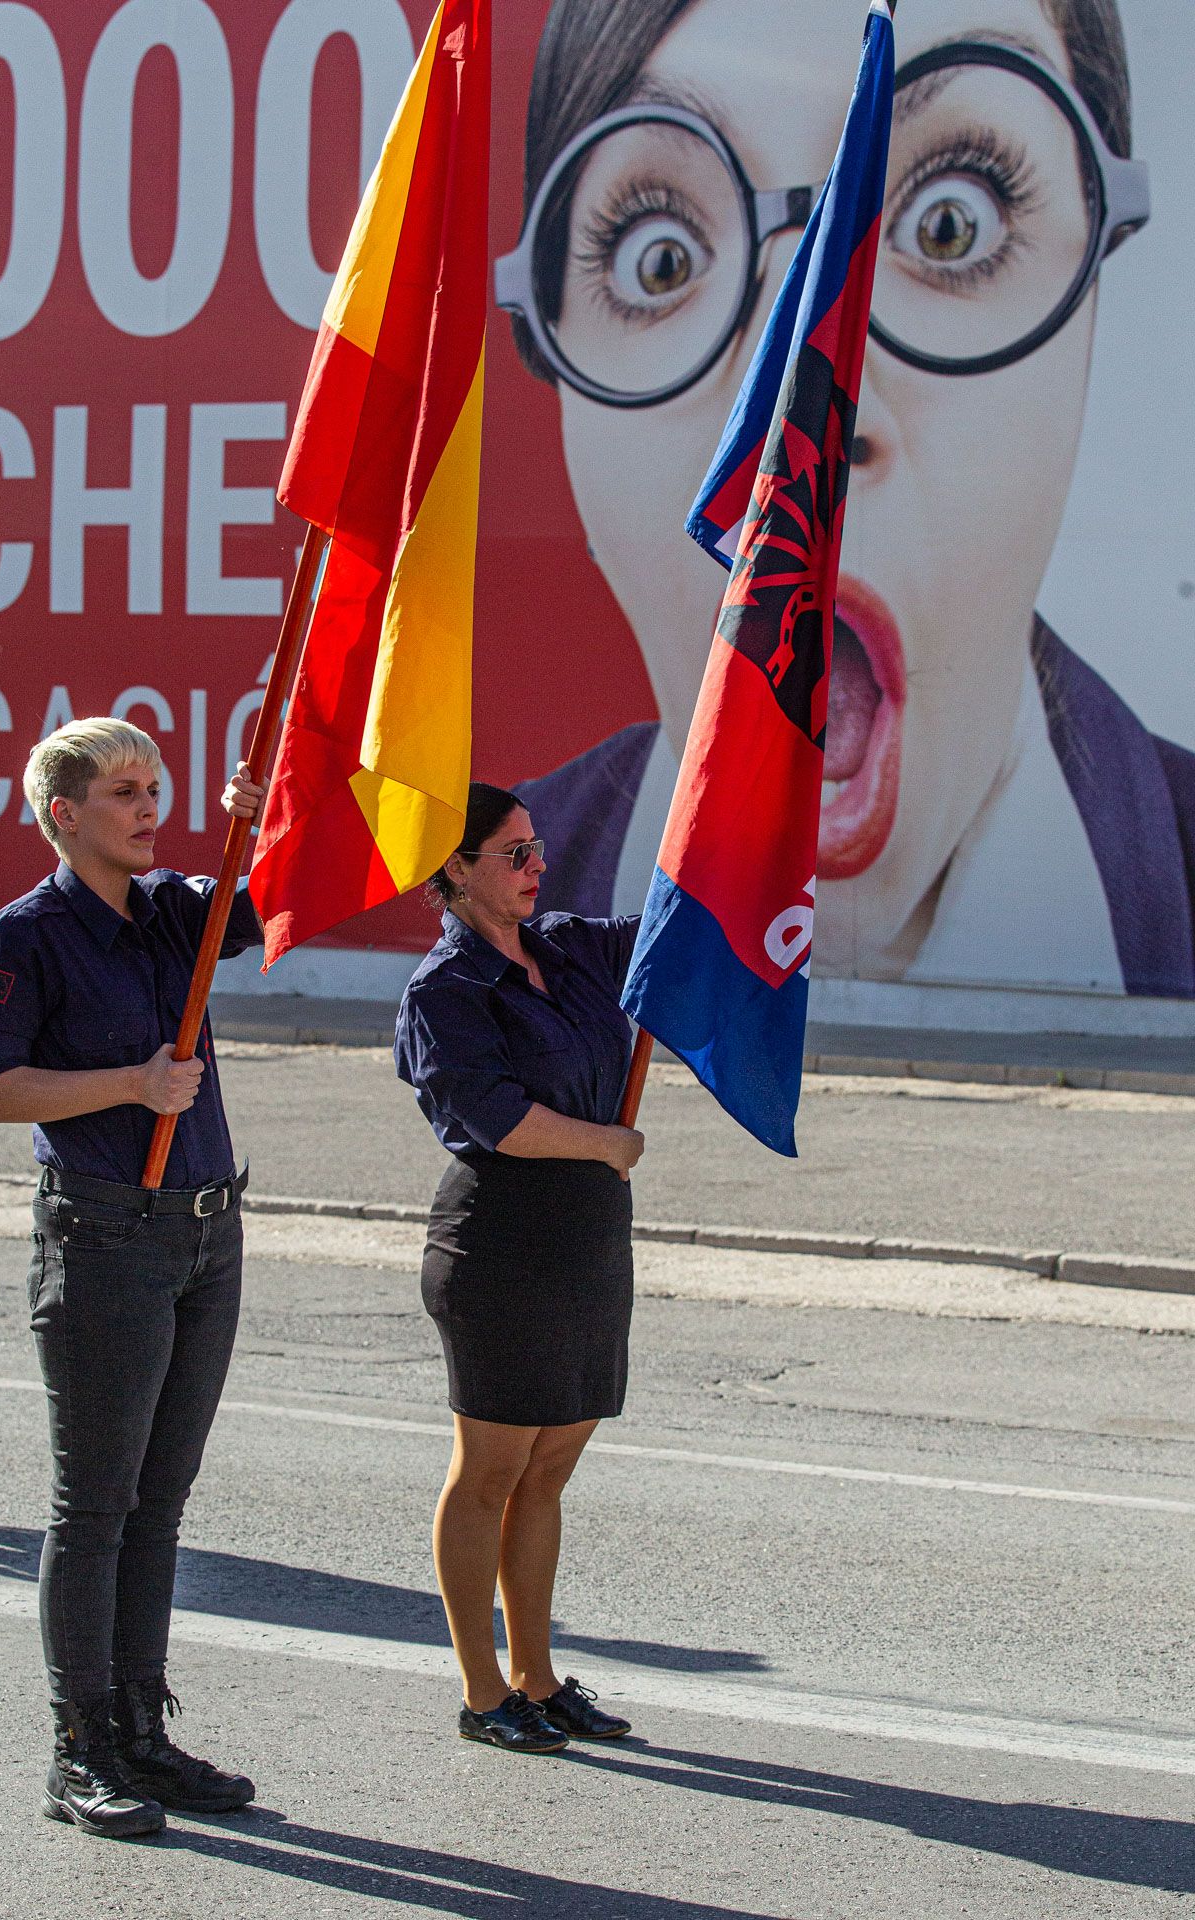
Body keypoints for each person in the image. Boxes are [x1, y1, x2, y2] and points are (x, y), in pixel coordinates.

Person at [496, 0, 1195, 998]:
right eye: (660, 257)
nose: (802, 419)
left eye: (949, 223)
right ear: (547, 353)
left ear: (1097, 276)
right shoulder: (503, 901)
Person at [0, 717, 269, 1839]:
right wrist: (131, 1083)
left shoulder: (177, 910)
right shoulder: (26, 936)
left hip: (203, 1230)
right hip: (102, 1233)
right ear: (63, 813)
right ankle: (77, 1749)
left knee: (160, 1504)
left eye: (155, 788)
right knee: (92, 1507)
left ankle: (142, 1729)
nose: (149, 808)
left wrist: (254, 823)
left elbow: (269, 900)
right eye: (125, 792)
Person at [394, 782, 644, 1754]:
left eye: (538, 847)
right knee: (490, 1472)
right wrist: (603, 1145)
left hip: (586, 1242)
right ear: (454, 870)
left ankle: (538, 1678)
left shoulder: (568, 947)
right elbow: (490, 1119)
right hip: (499, 1247)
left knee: (546, 1474)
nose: (538, 865)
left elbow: (683, 932)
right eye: (514, 853)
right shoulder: (443, 991)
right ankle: (482, 1690)